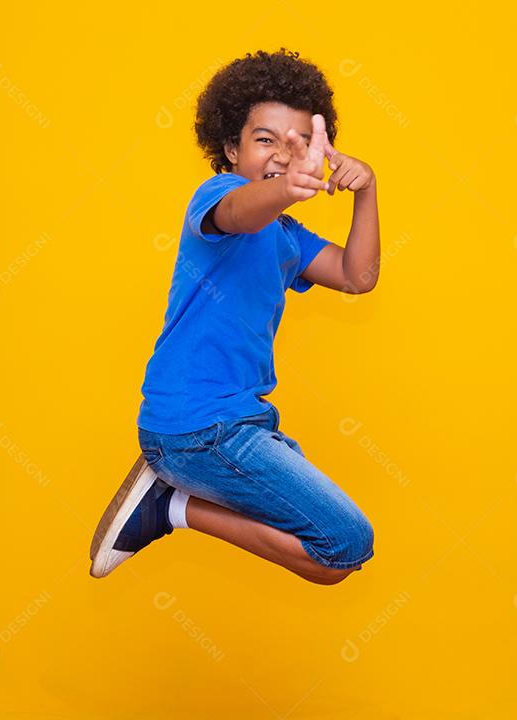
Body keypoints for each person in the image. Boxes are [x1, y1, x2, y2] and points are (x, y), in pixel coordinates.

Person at [89, 48, 380, 584]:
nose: (279, 155)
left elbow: (357, 276)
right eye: (264, 140)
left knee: (334, 561)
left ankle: (169, 502)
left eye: (295, 144)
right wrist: (285, 189)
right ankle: (173, 507)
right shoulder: (220, 196)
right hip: (198, 426)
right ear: (230, 147)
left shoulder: (288, 237)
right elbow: (241, 213)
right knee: (345, 541)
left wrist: (367, 191)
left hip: (239, 423)